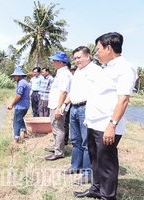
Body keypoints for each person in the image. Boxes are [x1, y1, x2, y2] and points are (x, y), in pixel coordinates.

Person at [74, 32, 137, 199]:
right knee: (95, 160)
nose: (97, 53)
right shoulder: (106, 68)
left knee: (106, 163)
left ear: (109, 48)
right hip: (94, 123)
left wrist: (112, 125)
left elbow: (123, 100)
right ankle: (95, 189)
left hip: (106, 126)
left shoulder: (124, 68)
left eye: (99, 49)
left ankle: (107, 196)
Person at [61, 46, 102, 185]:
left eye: (79, 57)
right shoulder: (77, 72)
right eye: (75, 58)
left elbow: (100, 92)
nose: (77, 60)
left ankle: (87, 173)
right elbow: (72, 92)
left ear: (88, 56)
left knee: (86, 142)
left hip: (87, 108)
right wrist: (64, 105)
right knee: (76, 140)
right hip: (74, 108)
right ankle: (75, 167)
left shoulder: (96, 70)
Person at [44, 51, 72, 161]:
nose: (53, 63)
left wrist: (59, 108)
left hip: (58, 106)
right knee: (55, 127)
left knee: (58, 128)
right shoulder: (60, 73)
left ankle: (59, 152)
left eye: (54, 61)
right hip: (55, 104)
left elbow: (64, 92)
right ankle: (56, 147)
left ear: (61, 62)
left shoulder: (65, 74)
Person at [7, 67, 31, 143]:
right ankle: (25, 133)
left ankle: (17, 139)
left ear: (20, 76)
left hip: (20, 106)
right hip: (26, 105)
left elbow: (18, 96)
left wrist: (11, 104)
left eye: (15, 76)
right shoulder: (25, 82)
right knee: (20, 119)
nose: (14, 77)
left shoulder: (21, 83)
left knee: (16, 122)